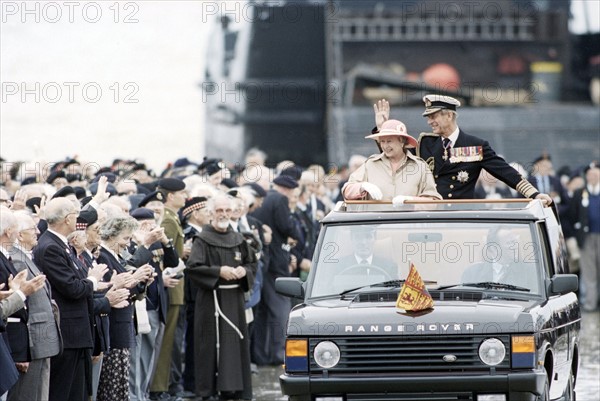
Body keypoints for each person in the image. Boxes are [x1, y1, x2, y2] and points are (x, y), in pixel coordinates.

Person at [372, 96, 553, 202]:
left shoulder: (476, 146)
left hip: (458, 217)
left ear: (449, 115)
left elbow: (505, 172)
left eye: (433, 116)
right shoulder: (426, 143)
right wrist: (382, 129)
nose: (429, 121)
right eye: (428, 117)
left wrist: (535, 195)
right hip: (427, 217)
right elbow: (395, 154)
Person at [32, 198, 108, 401]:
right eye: (76, 213)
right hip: (67, 332)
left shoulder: (61, 245)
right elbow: (72, 287)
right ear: (67, 219)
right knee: (64, 391)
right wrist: (93, 279)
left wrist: (90, 282)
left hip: (76, 332)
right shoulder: (50, 247)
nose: (79, 218)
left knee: (78, 392)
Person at [185, 194, 256, 401]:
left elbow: (252, 263)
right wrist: (218, 272)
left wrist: (244, 271)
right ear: (211, 213)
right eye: (219, 210)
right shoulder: (202, 240)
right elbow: (193, 268)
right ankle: (208, 391)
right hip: (211, 300)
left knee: (234, 343)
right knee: (210, 344)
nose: (223, 214)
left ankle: (234, 389)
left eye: (227, 210)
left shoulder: (239, 238)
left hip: (234, 299)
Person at [96, 216, 155, 401]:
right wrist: (135, 278)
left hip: (122, 325)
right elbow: (108, 290)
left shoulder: (114, 255)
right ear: (112, 236)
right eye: (125, 239)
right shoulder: (103, 256)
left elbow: (127, 289)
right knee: (111, 386)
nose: (127, 244)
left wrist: (141, 283)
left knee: (120, 384)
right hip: (113, 327)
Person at [7, 213, 60, 401]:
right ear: (20, 235)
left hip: (41, 336)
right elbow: (20, 307)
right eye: (32, 228)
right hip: (33, 337)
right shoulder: (17, 259)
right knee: (28, 393)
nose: (38, 231)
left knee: (39, 392)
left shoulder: (24, 256)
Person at [250, 174, 300, 366]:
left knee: (263, 311)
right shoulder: (279, 199)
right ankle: (280, 353)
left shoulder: (265, 198)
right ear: (287, 189)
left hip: (264, 260)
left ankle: (261, 355)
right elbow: (286, 225)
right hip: (277, 261)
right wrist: (295, 235)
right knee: (280, 308)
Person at [343, 119, 442, 204]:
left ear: (402, 141)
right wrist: (361, 187)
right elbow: (346, 190)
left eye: (389, 141)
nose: (385, 146)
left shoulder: (420, 166)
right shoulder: (370, 164)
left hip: (408, 224)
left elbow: (433, 201)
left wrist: (411, 201)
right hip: (375, 225)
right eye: (382, 141)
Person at [150, 178, 187, 400]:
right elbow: (164, 256)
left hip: (175, 287)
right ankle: (158, 387)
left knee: (169, 341)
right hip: (170, 286)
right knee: (165, 344)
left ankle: (161, 386)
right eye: (182, 193)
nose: (186, 196)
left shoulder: (173, 218)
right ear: (171, 196)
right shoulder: (169, 221)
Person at [461, 227, 538, 292]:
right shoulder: (472, 273)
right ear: (494, 249)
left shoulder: (531, 271)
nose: (515, 246)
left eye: (515, 241)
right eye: (509, 243)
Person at [569, 164, 600, 311]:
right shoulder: (579, 193)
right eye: (590, 175)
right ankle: (590, 303)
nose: (592, 177)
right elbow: (572, 214)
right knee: (589, 273)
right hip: (586, 237)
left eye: (596, 174)